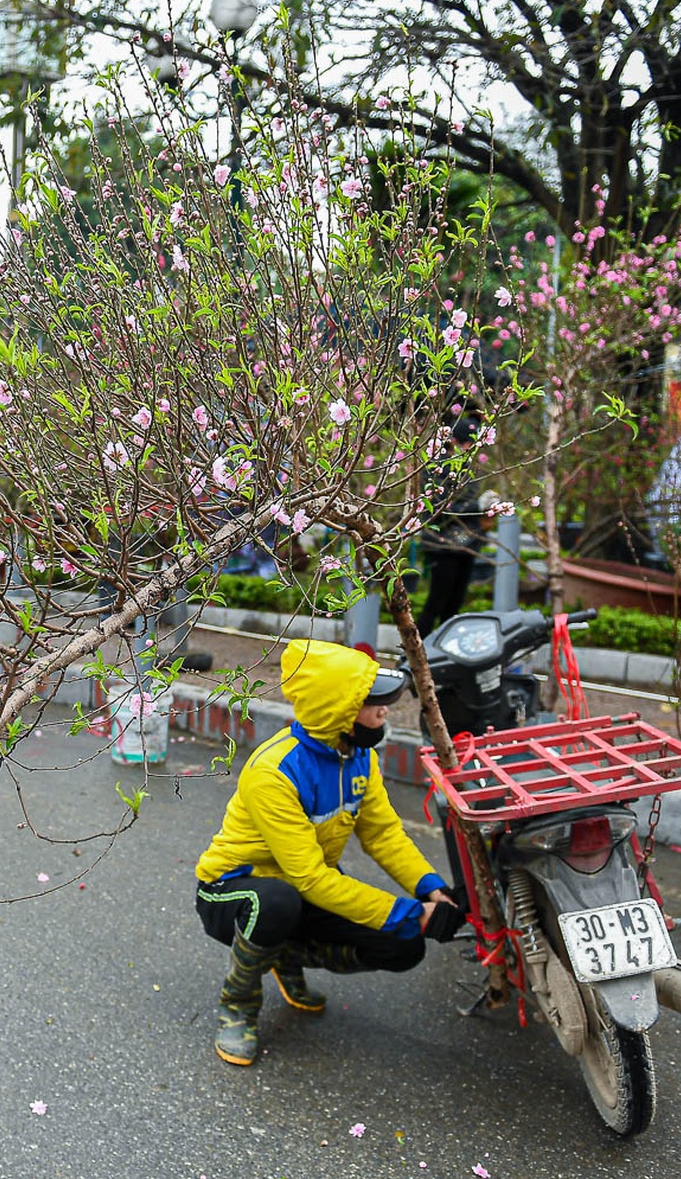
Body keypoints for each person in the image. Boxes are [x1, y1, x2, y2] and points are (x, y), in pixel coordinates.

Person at [193, 640, 464, 1065]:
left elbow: (384, 835)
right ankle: (238, 1002)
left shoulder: (359, 757)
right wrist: (413, 912)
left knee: (405, 945)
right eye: (372, 703)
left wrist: (431, 890)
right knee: (278, 903)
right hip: (232, 892)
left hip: (303, 893)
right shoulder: (274, 771)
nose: (384, 710)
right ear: (336, 710)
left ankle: (278, 955)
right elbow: (310, 878)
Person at [416, 416, 495, 637]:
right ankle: (416, 650)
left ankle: (443, 651)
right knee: (436, 600)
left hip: (466, 544)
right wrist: (476, 506)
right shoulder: (437, 466)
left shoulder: (468, 467)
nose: (469, 447)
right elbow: (440, 508)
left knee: (455, 604)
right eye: (467, 442)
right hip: (441, 545)